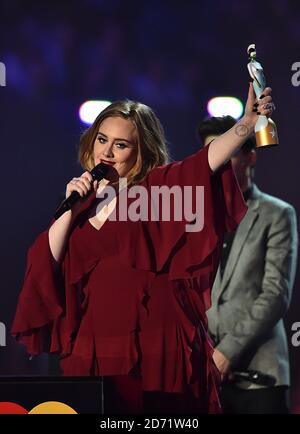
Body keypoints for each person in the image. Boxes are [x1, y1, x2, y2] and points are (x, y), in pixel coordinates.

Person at [12, 84, 274, 414]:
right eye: (102, 139)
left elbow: (205, 161)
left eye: (120, 145)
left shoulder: (158, 188)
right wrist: (71, 210)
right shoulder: (80, 206)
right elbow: (44, 261)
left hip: (155, 342)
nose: (106, 152)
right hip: (95, 343)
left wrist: (247, 123)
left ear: (141, 151)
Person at [197, 115, 298, 414]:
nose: (218, 161)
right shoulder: (195, 218)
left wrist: (226, 352)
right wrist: (206, 354)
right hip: (204, 375)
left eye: (229, 151)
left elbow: (275, 294)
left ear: (251, 156)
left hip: (260, 376)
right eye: (212, 153)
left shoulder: (277, 214)